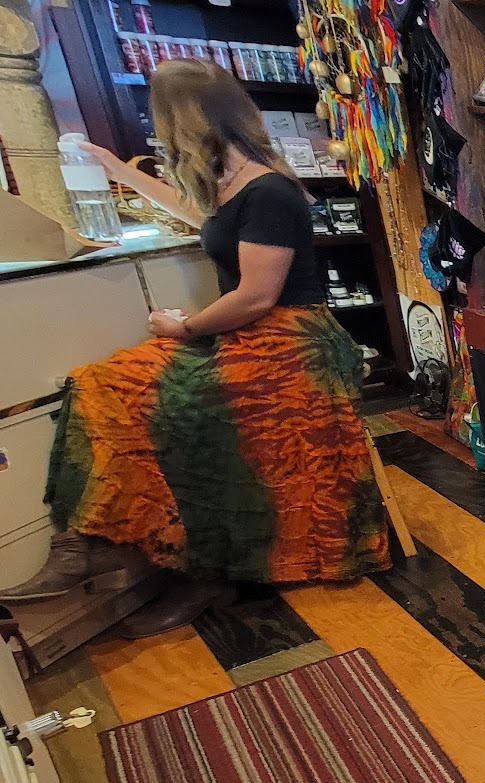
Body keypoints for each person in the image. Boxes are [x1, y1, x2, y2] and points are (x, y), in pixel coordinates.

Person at [0, 59, 390, 636]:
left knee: (185, 414)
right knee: (103, 383)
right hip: (252, 334)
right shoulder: (237, 182)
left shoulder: (268, 191)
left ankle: (197, 571)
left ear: (181, 122)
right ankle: (88, 544)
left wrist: (186, 327)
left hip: (292, 341)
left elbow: (257, 296)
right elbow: (201, 217)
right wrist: (116, 169)